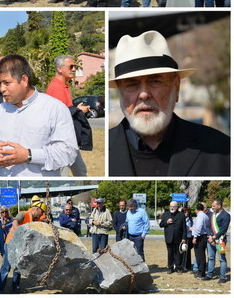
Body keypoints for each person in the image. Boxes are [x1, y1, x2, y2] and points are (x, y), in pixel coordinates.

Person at [109, 30, 230, 176]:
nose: (144, 94)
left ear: (176, 87)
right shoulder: (104, 151)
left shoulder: (222, 149)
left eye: (155, 81)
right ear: (120, 92)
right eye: (132, 84)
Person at [0, 54, 78, 176]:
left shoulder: (55, 108)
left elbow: (68, 152)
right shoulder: (0, 110)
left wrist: (29, 155)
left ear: (24, 80)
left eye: (7, 83)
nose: (2, 89)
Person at [46, 55, 90, 177]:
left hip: (69, 139)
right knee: (61, 173)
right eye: (71, 66)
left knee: (81, 171)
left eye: (75, 66)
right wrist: (78, 110)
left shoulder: (63, 86)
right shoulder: (56, 87)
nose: (74, 69)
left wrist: (76, 109)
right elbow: (57, 115)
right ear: (60, 69)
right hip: (61, 141)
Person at [0, 200, 47, 293]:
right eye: (41, 212)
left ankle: (15, 288)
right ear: (36, 209)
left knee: (18, 267)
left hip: (21, 246)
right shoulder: (23, 214)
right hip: (11, 243)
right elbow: (15, 222)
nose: (42, 214)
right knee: (6, 267)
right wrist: (20, 233)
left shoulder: (36, 219)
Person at [205, 199, 231, 283]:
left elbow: (224, 229)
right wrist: (209, 237)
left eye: (213, 206)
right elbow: (208, 226)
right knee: (210, 257)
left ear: (219, 206)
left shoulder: (226, 215)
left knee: (222, 259)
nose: (212, 207)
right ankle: (209, 274)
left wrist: (214, 237)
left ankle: (223, 277)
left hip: (220, 240)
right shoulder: (212, 215)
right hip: (210, 240)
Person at [159, 201, 186, 273]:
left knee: (178, 253)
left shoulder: (181, 215)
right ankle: (170, 267)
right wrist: (166, 222)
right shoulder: (166, 214)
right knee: (170, 253)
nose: (172, 208)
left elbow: (184, 228)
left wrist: (184, 238)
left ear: (177, 207)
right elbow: (161, 224)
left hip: (178, 237)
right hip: (169, 237)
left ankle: (178, 267)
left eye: (174, 206)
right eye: (171, 206)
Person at [192, 203, 209, 279]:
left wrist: (195, 237)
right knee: (202, 255)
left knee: (199, 255)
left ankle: (201, 272)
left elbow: (198, 227)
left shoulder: (200, 216)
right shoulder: (205, 215)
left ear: (197, 209)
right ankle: (201, 271)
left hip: (200, 237)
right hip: (203, 236)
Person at [181, 206, 193, 271]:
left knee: (188, 252)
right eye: (185, 212)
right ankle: (182, 265)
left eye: (188, 212)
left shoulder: (190, 219)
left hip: (189, 236)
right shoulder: (181, 218)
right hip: (183, 237)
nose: (187, 213)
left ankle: (188, 265)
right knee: (183, 251)